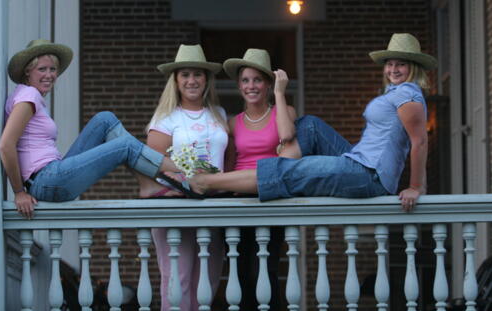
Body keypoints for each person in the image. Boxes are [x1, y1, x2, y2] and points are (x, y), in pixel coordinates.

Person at [177, 33, 435, 212]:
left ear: (413, 68)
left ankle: (207, 182)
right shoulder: (395, 92)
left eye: (401, 64)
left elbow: (419, 141)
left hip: (370, 175)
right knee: (309, 124)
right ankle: (275, 174)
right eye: (390, 64)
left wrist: (415, 187)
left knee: (296, 169)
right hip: (358, 162)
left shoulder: (407, 94)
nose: (393, 69)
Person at [0, 39, 179, 219]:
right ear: (28, 71)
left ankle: (147, 183)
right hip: (46, 180)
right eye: (42, 69)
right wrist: (19, 192)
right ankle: (183, 173)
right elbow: (6, 145)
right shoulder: (29, 96)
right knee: (124, 145)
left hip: (51, 176)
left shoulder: (26, 94)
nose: (49, 75)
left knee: (105, 119)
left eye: (53, 69)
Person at [140, 44, 228, 311]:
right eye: (185, 75)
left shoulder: (219, 114)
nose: (192, 80)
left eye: (198, 74)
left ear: (206, 79)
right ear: (176, 81)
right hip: (176, 207)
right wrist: (183, 180)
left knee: (208, 283)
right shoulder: (166, 117)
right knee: (177, 282)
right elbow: (151, 165)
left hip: (214, 206)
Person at [222, 48, 297, 310]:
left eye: (257, 80)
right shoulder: (233, 123)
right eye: (245, 80)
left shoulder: (285, 111)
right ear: (239, 85)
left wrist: (279, 92)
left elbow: (286, 136)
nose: (251, 86)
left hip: (269, 196)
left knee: (265, 270)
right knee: (241, 274)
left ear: (267, 83)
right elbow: (229, 164)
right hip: (239, 198)